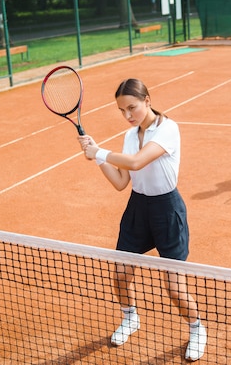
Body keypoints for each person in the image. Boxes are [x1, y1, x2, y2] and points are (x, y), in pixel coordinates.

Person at [78, 78, 207, 361]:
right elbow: (122, 182)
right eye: (122, 110)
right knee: (121, 275)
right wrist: (99, 158)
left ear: (148, 100)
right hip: (137, 208)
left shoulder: (168, 129)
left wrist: (98, 151)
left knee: (174, 288)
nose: (127, 115)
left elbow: (136, 162)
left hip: (166, 210)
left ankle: (197, 329)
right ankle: (130, 318)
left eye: (132, 108)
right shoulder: (129, 136)